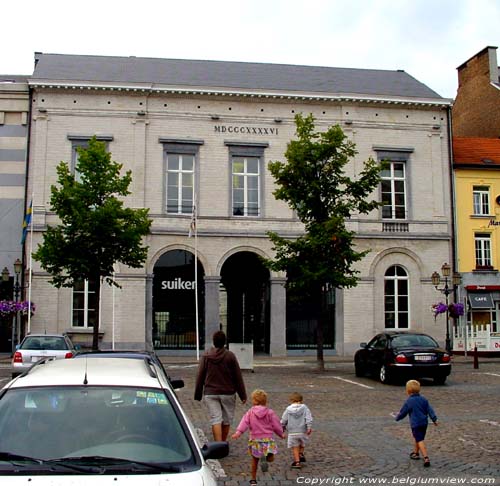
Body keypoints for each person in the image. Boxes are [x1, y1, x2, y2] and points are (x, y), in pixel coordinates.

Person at [194, 330, 247, 441]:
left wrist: (198, 393)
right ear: (224, 342)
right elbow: (238, 377)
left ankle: (218, 444)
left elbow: (200, 375)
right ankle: (223, 442)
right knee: (227, 419)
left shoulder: (206, 356)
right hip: (228, 392)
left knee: (216, 419)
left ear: (213, 342)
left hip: (210, 393)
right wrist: (243, 395)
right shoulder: (230, 356)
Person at [232, 389, 284, 485]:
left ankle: (253, 479)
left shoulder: (250, 412)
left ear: (255, 401)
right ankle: (268, 456)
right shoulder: (270, 412)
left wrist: (238, 432)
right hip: (268, 439)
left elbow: (244, 423)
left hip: (255, 439)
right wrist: (281, 434)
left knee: (254, 460)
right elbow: (276, 425)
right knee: (270, 455)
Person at [395, 379, 438, 467]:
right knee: (418, 437)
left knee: (419, 440)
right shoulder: (424, 399)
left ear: (408, 391)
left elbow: (403, 412)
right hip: (424, 423)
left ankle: (426, 457)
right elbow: (430, 410)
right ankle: (416, 453)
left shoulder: (409, 401)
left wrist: (397, 418)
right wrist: (434, 419)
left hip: (416, 424)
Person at [281, 391, 313, 469]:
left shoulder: (288, 409)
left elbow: (284, 420)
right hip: (302, 431)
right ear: (301, 400)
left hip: (292, 432)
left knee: (295, 447)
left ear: (291, 400)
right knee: (302, 443)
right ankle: (301, 453)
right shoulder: (305, 408)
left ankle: (297, 462)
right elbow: (308, 418)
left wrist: (282, 428)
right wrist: (309, 427)